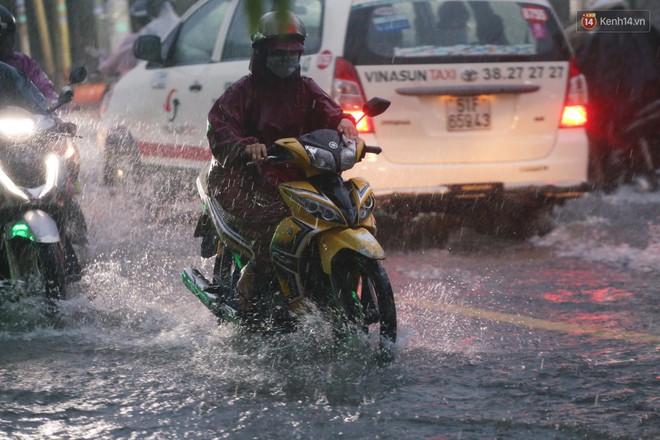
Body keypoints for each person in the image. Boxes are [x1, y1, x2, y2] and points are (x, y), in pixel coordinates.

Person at [206, 11, 358, 308]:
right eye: (278, 54)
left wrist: (344, 122)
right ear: (262, 53)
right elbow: (220, 127)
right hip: (250, 180)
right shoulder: (243, 91)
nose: (287, 60)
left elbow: (329, 111)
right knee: (275, 232)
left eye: (293, 54)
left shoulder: (306, 88)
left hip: (299, 175)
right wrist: (246, 146)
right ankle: (248, 286)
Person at [574, 0, 660, 190]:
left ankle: (607, 182)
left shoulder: (594, 37)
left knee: (600, 135)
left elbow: (583, 68)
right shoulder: (646, 30)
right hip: (647, 98)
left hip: (612, 103)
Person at [0, 5, 59, 105]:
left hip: (21, 115)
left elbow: (42, 86)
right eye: (5, 38)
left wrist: (53, 101)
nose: (7, 42)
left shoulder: (22, 62)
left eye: (9, 37)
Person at [98, 0, 152, 78]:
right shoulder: (165, 37)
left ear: (136, 21)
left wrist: (101, 55)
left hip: (129, 83)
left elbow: (108, 66)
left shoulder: (130, 41)